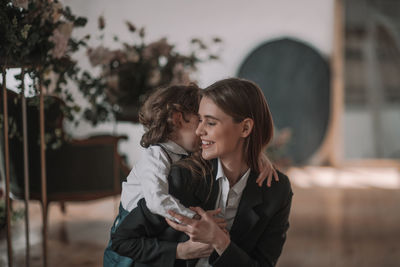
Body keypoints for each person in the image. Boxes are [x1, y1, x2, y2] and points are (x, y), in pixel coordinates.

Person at [111, 78, 293, 267]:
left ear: (245, 128)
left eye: (210, 123)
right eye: (199, 120)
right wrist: (178, 251)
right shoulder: (182, 175)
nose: (198, 131)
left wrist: (220, 241)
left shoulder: (277, 191)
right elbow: (122, 240)